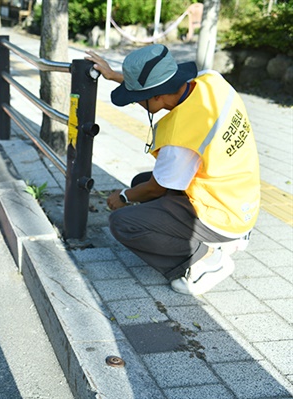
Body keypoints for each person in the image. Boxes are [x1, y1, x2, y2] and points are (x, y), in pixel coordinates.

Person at [85, 44, 260, 295]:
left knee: (123, 222)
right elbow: (159, 85)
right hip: (241, 197)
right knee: (140, 182)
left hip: (221, 214)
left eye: (138, 99)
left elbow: (158, 186)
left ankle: (205, 258)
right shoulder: (211, 81)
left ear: (157, 96)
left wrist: (122, 197)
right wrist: (116, 76)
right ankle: (230, 238)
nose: (137, 103)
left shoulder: (182, 135)